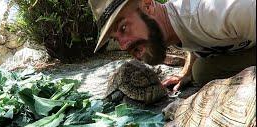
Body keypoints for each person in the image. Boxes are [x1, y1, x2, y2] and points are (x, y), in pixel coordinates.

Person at [88, 0, 256, 91]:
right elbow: (193, 36)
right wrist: (186, 71)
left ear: (147, 5)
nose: (124, 46)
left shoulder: (216, 10)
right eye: (116, 39)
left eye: (123, 28)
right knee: (202, 72)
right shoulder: (169, 29)